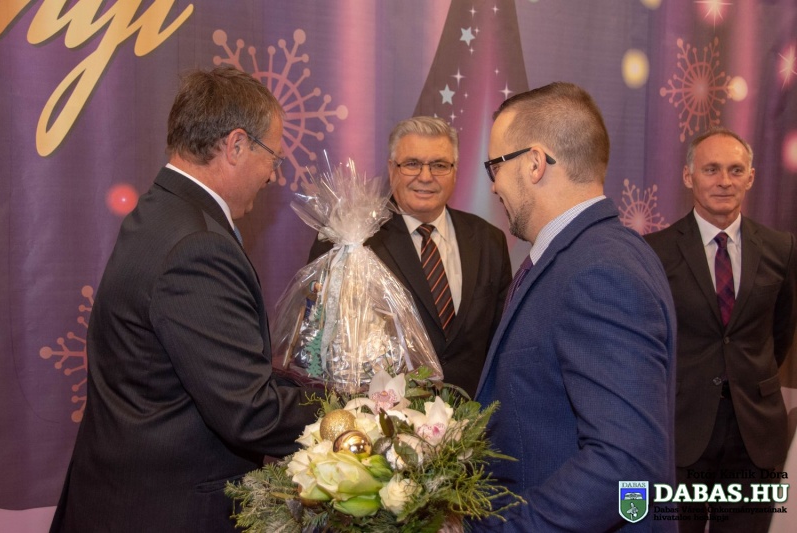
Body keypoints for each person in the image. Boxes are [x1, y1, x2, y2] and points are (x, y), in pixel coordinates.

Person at [50, 66, 319, 532]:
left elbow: (207, 367)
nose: (273, 175)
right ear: (236, 145)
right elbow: (250, 412)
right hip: (166, 511)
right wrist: (353, 414)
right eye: (273, 156)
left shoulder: (162, 209)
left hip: (125, 495)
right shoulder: (198, 245)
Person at [474, 82, 677, 531]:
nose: (493, 185)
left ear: (534, 163)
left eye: (495, 165)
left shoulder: (599, 270)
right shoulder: (583, 255)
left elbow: (625, 467)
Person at [644, 127, 797, 533]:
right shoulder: (655, 251)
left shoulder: (781, 248)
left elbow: (781, 332)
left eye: (735, 170)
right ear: (688, 176)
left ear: (751, 177)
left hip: (756, 434)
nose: (724, 181)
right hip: (681, 430)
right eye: (711, 169)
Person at [308, 116, 512, 396]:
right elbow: (321, 340)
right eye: (412, 164)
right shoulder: (352, 238)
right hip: (381, 416)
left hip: (472, 416)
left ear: (455, 171)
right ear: (392, 169)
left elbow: (501, 343)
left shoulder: (490, 240)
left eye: (439, 165)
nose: (425, 177)